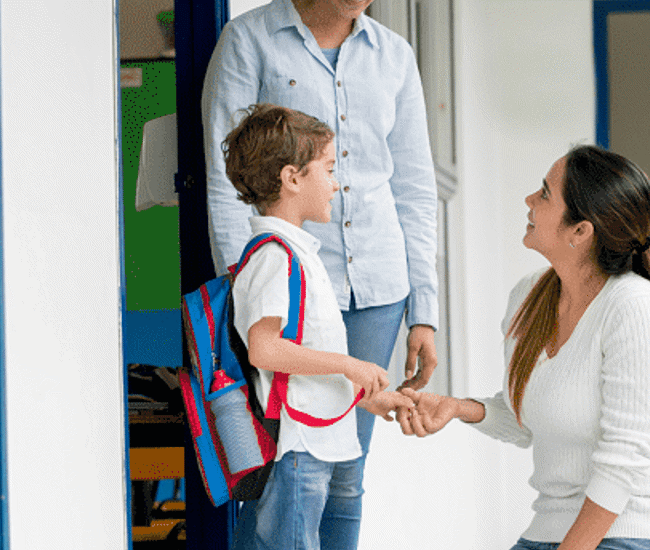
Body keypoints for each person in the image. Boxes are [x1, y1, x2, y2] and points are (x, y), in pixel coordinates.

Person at [202, 2, 442, 547]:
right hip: (286, 289)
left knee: (345, 474)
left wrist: (423, 311)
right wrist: (243, 290)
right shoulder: (249, 39)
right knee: (285, 469)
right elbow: (223, 184)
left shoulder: (395, 55)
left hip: (377, 286)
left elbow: (414, 188)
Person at [395, 146, 650, 550]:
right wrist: (459, 408)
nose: (529, 200)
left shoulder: (634, 307)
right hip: (553, 527)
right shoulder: (528, 297)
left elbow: (624, 459)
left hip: (643, 528)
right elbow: (527, 418)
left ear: (580, 231)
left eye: (544, 193)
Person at [219, 104, 413, 550]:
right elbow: (264, 350)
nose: (335, 182)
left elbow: (303, 359)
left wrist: (369, 396)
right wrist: (349, 365)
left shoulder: (298, 252)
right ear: (292, 178)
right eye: (327, 168)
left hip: (313, 444)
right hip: (297, 450)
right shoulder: (274, 256)